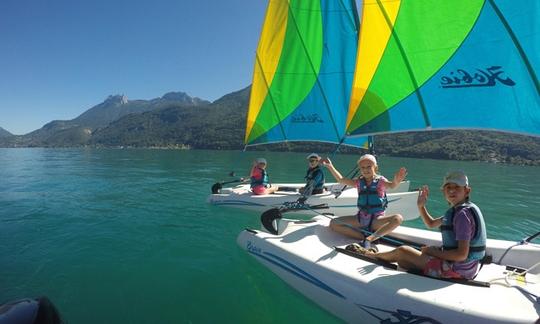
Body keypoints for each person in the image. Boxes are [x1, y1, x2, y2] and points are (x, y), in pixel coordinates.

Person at [355, 170, 487, 280]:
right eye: (448, 187)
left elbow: (461, 255)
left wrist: (431, 251)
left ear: (467, 191)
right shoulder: (459, 211)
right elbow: (431, 223)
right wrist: (421, 206)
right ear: (444, 191)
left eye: (457, 187)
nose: (452, 191)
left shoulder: (462, 215)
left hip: (458, 271)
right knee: (403, 261)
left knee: (403, 251)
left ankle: (370, 255)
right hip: (468, 268)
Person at [322, 154, 407, 251]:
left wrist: (396, 181)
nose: (365, 169)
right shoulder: (359, 182)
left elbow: (391, 185)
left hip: (376, 219)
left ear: (375, 167)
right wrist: (330, 166)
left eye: (369, 167)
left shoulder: (381, 181)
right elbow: (341, 180)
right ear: (360, 169)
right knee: (333, 223)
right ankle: (362, 237)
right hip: (360, 219)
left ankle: (370, 239)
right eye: (362, 167)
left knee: (398, 218)